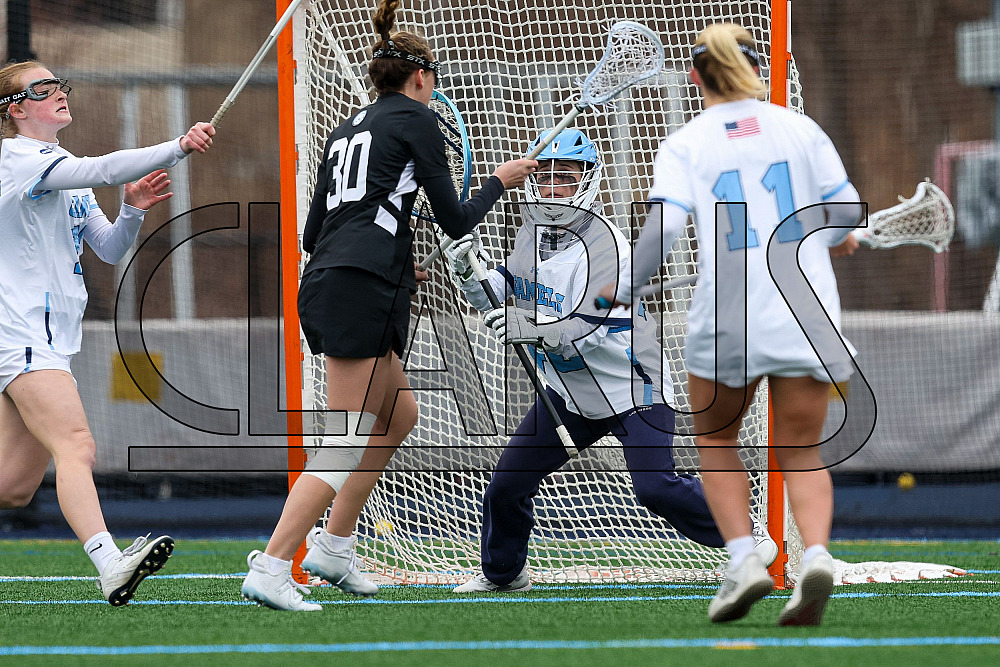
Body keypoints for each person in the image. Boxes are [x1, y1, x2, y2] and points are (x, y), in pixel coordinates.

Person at [239, 0, 537, 612]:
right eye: (435, 79)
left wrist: (400, 266)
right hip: (357, 289)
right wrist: (497, 183)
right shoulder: (418, 121)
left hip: (343, 280)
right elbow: (454, 218)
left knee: (398, 415)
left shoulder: (349, 127)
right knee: (346, 436)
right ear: (421, 76)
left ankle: (335, 546)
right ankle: (273, 564)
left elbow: (315, 230)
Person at [598, 23, 861, 626]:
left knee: (716, 439)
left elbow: (663, 231)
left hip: (730, 314)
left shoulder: (687, 142)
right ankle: (816, 554)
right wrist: (840, 236)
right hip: (808, 312)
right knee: (800, 448)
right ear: (758, 72)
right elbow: (846, 217)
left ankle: (743, 556)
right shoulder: (800, 129)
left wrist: (627, 286)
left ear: (695, 77)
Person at [446, 128, 777, 594]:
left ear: (588, 180)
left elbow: (586, 328)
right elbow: (500, 294)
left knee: (655, 488)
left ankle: (745, 534)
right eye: (547, 176)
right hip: (572, 394)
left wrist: (525, 328)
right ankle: (504, 573)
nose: (554, 186)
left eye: (567, 175)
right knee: (507, 485)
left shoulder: (611, 248)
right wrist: (469, 272)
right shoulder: (532, 238)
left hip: (631, 388)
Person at [0, 60, 216, 605]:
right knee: (77, 444)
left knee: (13, 487)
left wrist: (132, 212)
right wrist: (178, 147)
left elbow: (111, 249)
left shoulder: (61, 165)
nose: (59, 94)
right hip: (19, 332)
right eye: (42, 88)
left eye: (59, 85)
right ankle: (110, 562)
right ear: (15, 108)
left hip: (48, 339)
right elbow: (108, 166)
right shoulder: (19, 160)